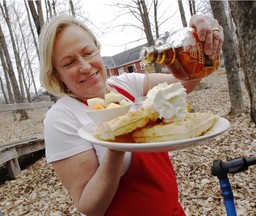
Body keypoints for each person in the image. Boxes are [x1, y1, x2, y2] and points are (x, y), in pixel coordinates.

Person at [39, 13, 223, 216]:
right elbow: (90, 206)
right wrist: (116, 145)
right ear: (56, 74)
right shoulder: (61, 118)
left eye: (88, 52)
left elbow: (184, 84)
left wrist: (201, 42)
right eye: (68, 63)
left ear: (98, 49)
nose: (84, 66)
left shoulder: (124, 84)